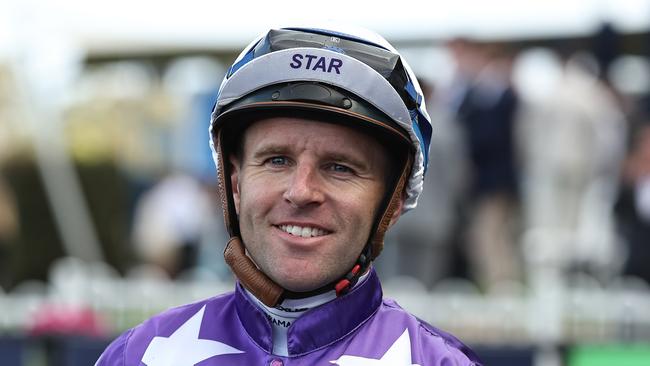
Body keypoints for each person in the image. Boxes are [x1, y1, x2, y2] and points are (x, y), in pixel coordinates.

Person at [96, 24, 482, 366]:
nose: (301, 192)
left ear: (393, 203)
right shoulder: (139, 356)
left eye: (340, 167)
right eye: (277, 160)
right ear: (234, 183)